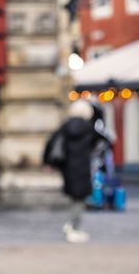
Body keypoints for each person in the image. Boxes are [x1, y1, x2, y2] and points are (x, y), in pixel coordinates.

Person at [46, 99, 100, 242]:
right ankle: (73, 226)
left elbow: (51, 143)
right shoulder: (89, 129)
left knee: (74, 196)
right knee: (80, 197)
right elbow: (100, 142)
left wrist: (49, 162)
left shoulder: (65, 127)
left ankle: (72, 225)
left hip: (68, 167)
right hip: (82, 166)